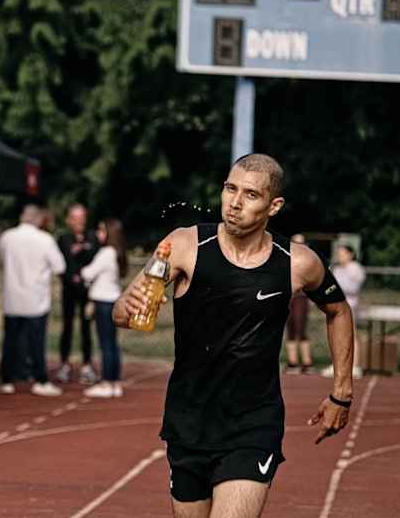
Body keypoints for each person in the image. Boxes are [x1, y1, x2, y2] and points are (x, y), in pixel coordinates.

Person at [113, 154, 355, 517]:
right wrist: (126, 309)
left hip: (252, 424)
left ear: (274, 205)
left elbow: (339, 310)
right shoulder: (183, 245)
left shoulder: (297, 262)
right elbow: (122, 313)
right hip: (189, 420)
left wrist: (342, 392)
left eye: (251, 195)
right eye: (230, 189)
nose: (235, 203)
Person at [0, 204, 66, 397]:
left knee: (10, 340)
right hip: (36, 299)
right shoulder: (44, 240)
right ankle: (40, 379)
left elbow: (1, 262)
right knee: (37, 342)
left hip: (12, 297)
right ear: (38, 219)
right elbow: (60, 266)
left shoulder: (6, 238)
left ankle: (6, 379)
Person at [81, 219, 128, 398]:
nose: (98, 234)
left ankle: (107, 382)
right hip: (113, 300)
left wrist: (82, 272)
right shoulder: (116, 252)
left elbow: (88, 272)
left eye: (102, 230)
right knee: (112, 344)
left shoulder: (106, 253)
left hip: (103, 302)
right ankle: (114, 382)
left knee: (105, 344)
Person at [56, 203, 100, 384]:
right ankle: (64, 364)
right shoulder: (63, 239)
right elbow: (60, 264)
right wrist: (70, 276)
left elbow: (96, 258)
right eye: (75, 218)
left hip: (87, 291)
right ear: (68, 220)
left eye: (82, 217)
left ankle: (87, 365)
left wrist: (84, 249)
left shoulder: (92, 238)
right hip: (69, 290)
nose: (79, 221)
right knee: (67, 327)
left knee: (86, 328)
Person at [321, 244, 365, 379]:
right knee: (336, 335)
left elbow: (353, 287)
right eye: (338, 253)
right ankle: (337, 365)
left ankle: (355, 366)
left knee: (352, 334)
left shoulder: (355, 268)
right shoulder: (337, 269)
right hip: (335, 305)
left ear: (350, 254)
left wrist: (336, 286)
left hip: (350, 305)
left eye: (343, 253)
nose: (340, 256)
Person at [284, 234, 314, 374]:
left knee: (300, 328)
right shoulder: (285, 257)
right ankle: (292, 362)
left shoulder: (308, 260)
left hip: (301, 296)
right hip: (288, 297)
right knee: (290, 329)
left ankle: (307, 362)